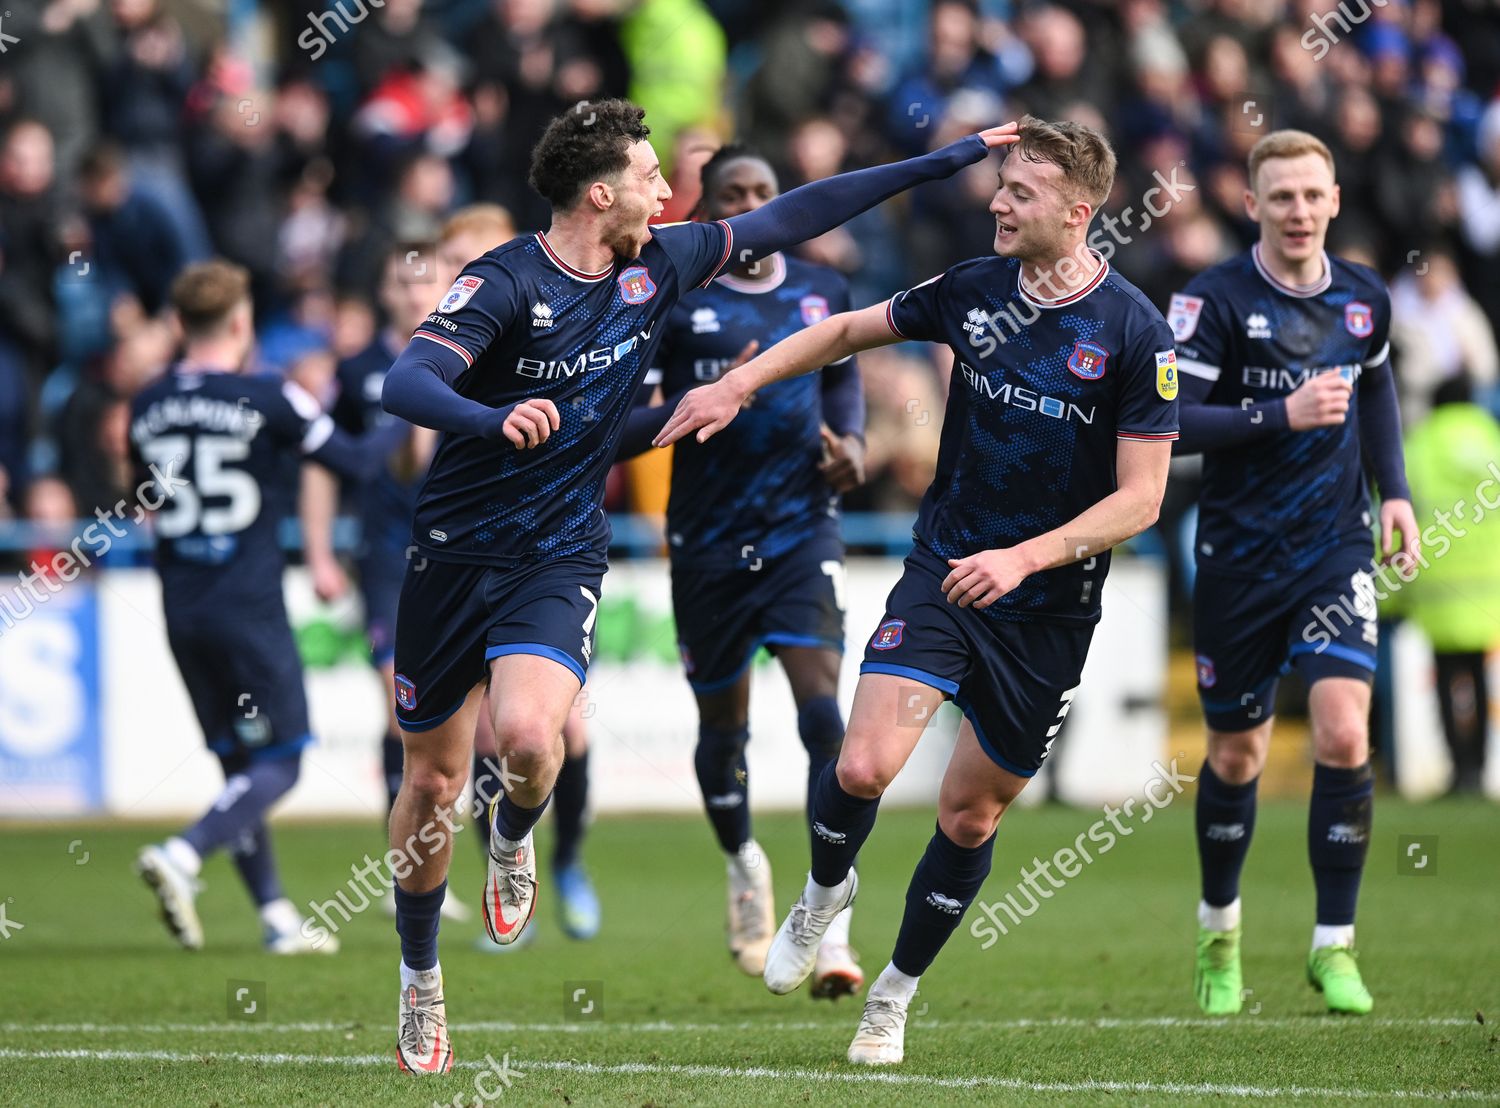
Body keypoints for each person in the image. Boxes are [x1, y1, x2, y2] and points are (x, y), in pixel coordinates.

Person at [378, 97, 1018, 1075]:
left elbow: (797, 215)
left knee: (526, 740)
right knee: (429, 777)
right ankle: (420, 983)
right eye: (649, 176)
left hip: (557, 554)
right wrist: (488, 418)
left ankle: (510, 833)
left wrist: (950, 160)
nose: (668, 190)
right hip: (453, 553)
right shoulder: (504, 280)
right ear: (601, 193)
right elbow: (408, 382)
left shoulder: (663, 261)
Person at [657, 115, 1179, 1065]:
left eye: (1020, 191)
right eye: (1002, 185)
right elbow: (844, 333)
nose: (998, 201)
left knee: (969, 814)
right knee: (860, 768)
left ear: (1080, 210)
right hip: (945, 572)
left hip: (1047, 605)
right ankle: (823, 895)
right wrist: (739, 384)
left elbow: (1143, 499)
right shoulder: (975, 290)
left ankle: (894, 994)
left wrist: (1026, 559)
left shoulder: (1136, 330)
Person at [1169, 129, 1418, 1017]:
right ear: (1252, 205)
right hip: (1237, 557)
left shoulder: (1364, 300)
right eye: (1281, 197)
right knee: (1235, 753)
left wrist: (1395, 493)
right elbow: (1173, 424)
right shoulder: (1211, 302)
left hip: (1333, 550)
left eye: (1313, 195)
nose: (1299, 211)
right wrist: (1281, 413)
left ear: (1336, 200)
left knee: (1346, 734)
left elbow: (1377, 388)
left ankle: (1333, 946)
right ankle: (1219, 930)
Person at [646, 144, 867, 989]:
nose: (753, 204)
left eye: (765, 190)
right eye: (735, 193)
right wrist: (712, 396)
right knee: (722, 731)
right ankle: (744, 864)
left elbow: (843, 388)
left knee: (826, 723)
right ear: (710, 212)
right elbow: (632, 412)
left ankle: (830, 918)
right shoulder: (675, 298)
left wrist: (853, 445)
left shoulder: (824, 291)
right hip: (705, 540)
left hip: (801, 530)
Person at [131, 260, 399, 955]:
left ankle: (277, 918)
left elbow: (144, 497)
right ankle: (185, 853)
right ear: (243, 322)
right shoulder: (268, 395)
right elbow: (360, 462)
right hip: (247, 605)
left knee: (237, 763)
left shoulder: (146, 401)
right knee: (281, 761)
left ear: (179, 324)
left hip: (180, 606)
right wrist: (409, 404)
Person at [299, 242, 471, 923]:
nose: (409, 293)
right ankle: (414, 863)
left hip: (463, 559)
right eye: (399, 281)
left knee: (467, 722)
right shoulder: (358, 370)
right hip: (385, 561)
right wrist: (318, 550)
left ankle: (476, 854)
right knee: (404, 713)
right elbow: (319, 461)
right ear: (382, 291)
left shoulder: (476, 355)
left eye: (422, 281)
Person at [1398, 375, 1500, 796]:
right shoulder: (1492, 439)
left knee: (1446, 678)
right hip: (1488, 589)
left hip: (1438, 588)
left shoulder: (1419, 445)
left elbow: (1393, 511)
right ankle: (1479, 768)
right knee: (1479, 675)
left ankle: (1459, 769)